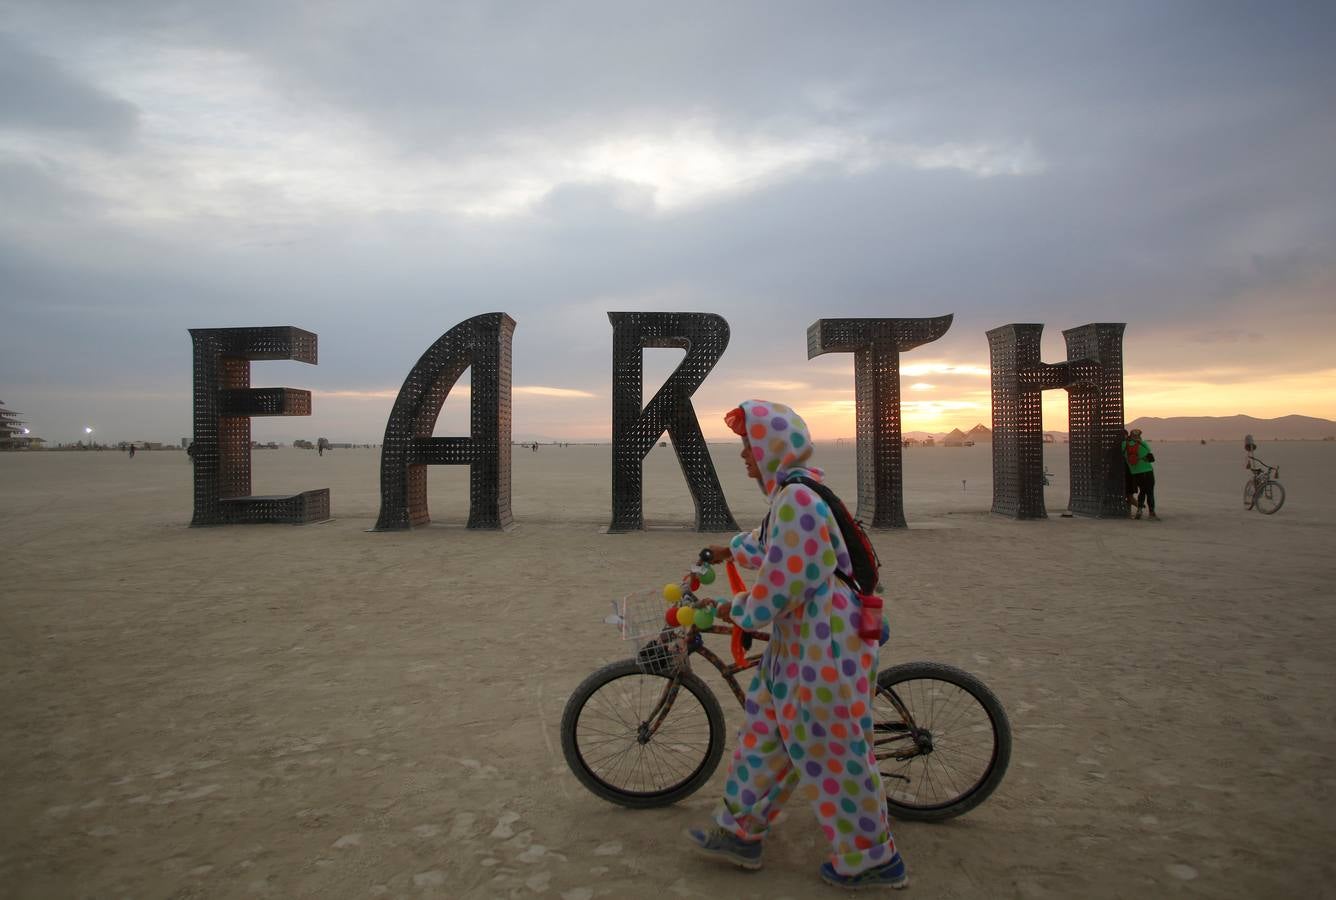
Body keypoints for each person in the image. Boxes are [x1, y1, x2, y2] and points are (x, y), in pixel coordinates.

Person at [686, 400, 908, 890]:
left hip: (825, 649)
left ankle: (871, 859)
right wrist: (730, 549)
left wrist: (736, 610)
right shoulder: (793, 495)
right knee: (766, 733)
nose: (744, 454)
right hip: (800, 650)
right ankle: (738, 831)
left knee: (834, 751)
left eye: (749, 445)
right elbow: (771, 544)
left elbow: (787, 579)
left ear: (772, 447)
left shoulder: (798, 500)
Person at [1123, 428, 1157, 520]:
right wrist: (1140, 442)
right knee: (1149, 492)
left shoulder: (1124, 445)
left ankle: (1139, 510)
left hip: (1135, 472)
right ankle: (1151, 513)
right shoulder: (1141, 443)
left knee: (1142, 491)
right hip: (1147, 470)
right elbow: (1149, 451)